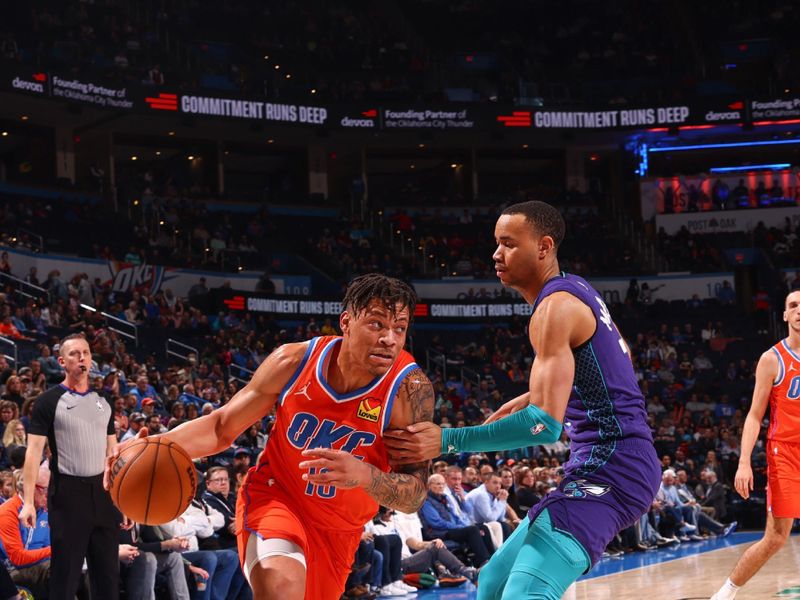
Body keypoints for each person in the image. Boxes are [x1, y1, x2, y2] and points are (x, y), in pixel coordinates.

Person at [385, 201, 661, 599]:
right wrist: (541, 391)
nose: (496, 254)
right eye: (497, 243)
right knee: (492, 585)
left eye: (509, 244)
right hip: (610, 461)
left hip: (613, 467)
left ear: (544, 246)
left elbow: (543, 426)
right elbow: (618, 357)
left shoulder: (554, 308)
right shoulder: (577, 288)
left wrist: (446, 440)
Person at [108, 274, 434, 600]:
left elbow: (415, 494)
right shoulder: (294, 362)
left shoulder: (409, 390)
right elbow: (222, 427)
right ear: (346, 322)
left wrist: (365, 475)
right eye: (377, 324)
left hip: (340, 531)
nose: (389, 338)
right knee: (281, 586)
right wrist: (152, 446)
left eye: (400, 328)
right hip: (278, 498)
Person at [710, 290, 800, 600]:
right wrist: (744, 461)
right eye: (793, 305)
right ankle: (726, 593)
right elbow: (753, 416)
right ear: (785, 315)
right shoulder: (772, 359)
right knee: (776, 538)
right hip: (785, 453)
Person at [21, 333, 119, 600]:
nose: (82, 358)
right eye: (75, 354)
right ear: (62, 361)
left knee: (108, 578)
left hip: (103, 494)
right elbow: (33, 454)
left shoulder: (103, 403)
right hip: (68, 495)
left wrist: (123, 499)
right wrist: (29, 501)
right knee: (65, 578)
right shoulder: (48, 401)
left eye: (86, 353)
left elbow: (113, 453)